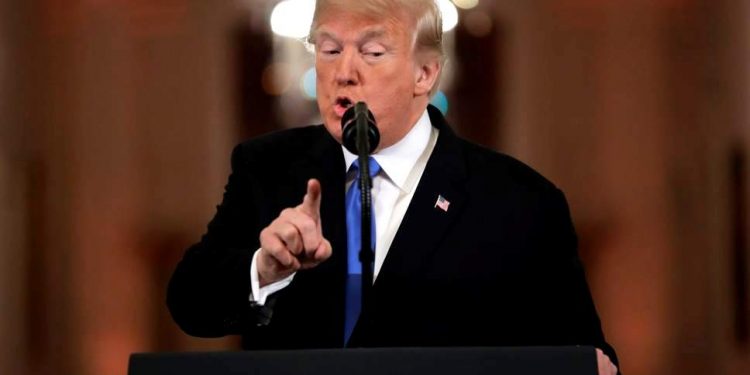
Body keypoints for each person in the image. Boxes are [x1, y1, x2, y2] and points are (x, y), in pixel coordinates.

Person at [166, 1, 619, 374]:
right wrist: (264, 269)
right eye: (328, 50)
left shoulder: (519, 200)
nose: (344, 72)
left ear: (425, 74)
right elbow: (190, 304)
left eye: (373, 52)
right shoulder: (267, 167)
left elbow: (586, 358)